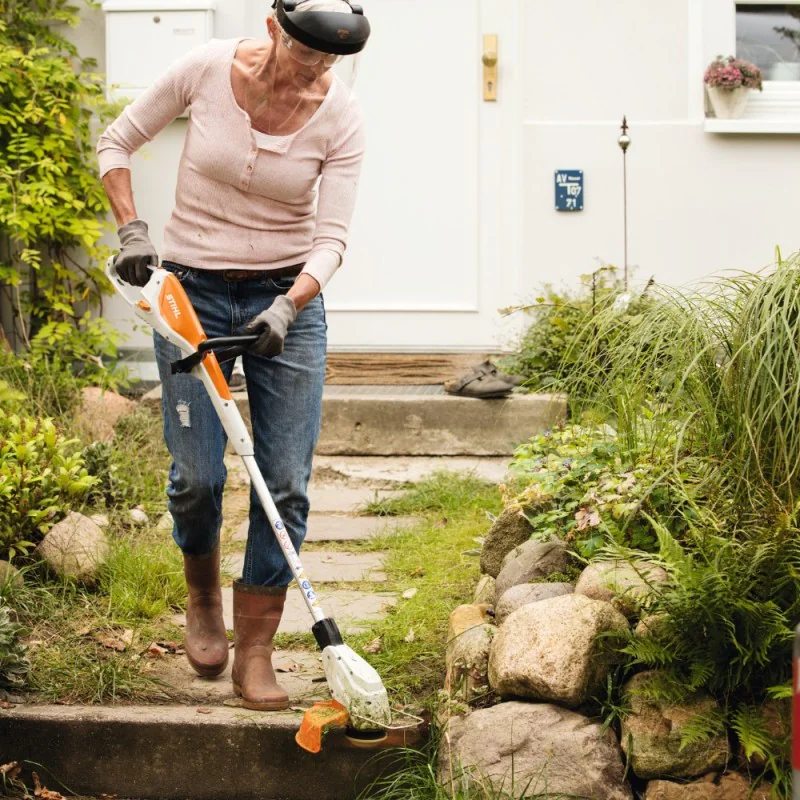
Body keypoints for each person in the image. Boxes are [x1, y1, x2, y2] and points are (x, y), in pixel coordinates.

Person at [97, 0, 370, 711]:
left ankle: (256, 650)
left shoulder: (340, 116)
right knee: (195, 475)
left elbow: (333, 238)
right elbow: (116, 142)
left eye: (331, 60)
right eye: (308, 53)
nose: (317, 71)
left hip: (287, 303)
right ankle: (202, 601)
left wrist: (290, 305)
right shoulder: (206, 68)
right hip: (190, 296)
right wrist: (132, 231)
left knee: (285, 482)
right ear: (275, 29)